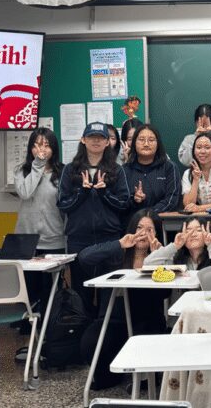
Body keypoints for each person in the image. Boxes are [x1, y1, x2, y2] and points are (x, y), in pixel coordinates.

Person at [76, 210, 165, 391]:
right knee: (90, 341)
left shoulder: (161, 255)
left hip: (146, 319)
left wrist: (158, 258)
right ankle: (108, 376)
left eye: (150, 229)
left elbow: (164, 294)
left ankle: (146, 377)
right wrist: (119, 244)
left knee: (148, 337)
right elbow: (84, 258)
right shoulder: (118, 254)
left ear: (156, 234)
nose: (143, 233)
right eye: (139, 228)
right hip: (114, 319)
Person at [57, 122, 132, 316]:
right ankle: (85, 332)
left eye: (101, 138)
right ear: (83, 140)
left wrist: (104, 193)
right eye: (91, 137)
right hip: (79, 240)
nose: (96, 141)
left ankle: (106, 332)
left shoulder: (117, 170)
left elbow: (124, 204)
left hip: (110, 239)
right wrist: (81, 193)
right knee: (81, 294)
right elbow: (63, 205)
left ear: (108, 142)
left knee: (109, 295)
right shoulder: (70, 170)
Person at [13, 127, 66, 314]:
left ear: (54, 149)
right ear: (30, 148)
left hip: (54, 240)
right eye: (36, 145)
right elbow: (26, 193)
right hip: (26, 241)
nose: (41, 150)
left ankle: (51, 326)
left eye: (46, 145)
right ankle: (29, 326)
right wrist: (38, 165)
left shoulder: (63, 172)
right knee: (29, 290)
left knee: (51, 292)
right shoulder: (21, 171)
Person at [122, 124, 180, 221]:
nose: (146, 144)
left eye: (151, 140)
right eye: (141, 139)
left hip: (162, 223)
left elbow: (171, 200)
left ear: (158, 144)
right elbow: (121, 202)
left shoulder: (169, 167)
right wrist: (134, 199)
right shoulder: (124, 170)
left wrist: (149, 214)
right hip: (132, 224)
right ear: (134, 143)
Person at [145, 217, 211, 269]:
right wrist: (175, 246)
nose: (193, 234)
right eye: (188, 231)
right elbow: (148, 263)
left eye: (199, 230)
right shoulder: (176, 259)